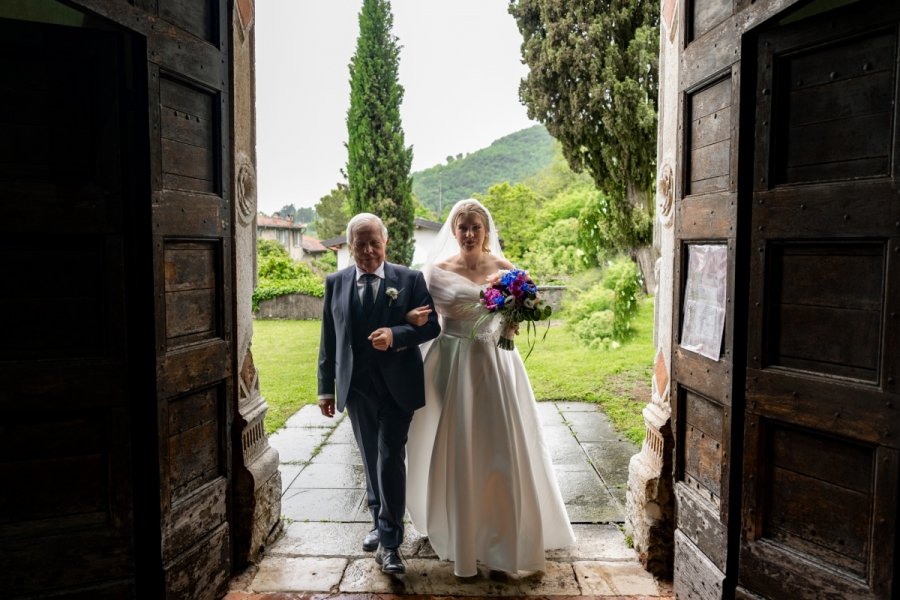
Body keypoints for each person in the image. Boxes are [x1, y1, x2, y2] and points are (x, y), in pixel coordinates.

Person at [405, 199, 575, 579]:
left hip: (493, 364)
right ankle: (457, 527)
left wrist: (512, 325)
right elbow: (421, 317)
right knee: (453, 443)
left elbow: (518, 311)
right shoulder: (434, 273)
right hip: (449, 362)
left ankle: (502, 533)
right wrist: (409, 319)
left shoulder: (506, 271)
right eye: (462, 227)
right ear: (454, 231)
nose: (468, 234)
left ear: (486, 232)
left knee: (499, 445)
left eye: (475, 228)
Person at [317, 213, 440, 575]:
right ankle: (377, 520)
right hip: (357, 388)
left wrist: (397, 334)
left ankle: (390, 543)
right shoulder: (335, 283)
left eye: (374, 242)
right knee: (370, 457)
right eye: (360, 243)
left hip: (398, 386)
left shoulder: (409, 279)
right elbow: (329, 338)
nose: (368, 250)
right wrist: (326, 388)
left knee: (389, 459)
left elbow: (432, 324)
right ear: (350, 245)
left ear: (386, 243)